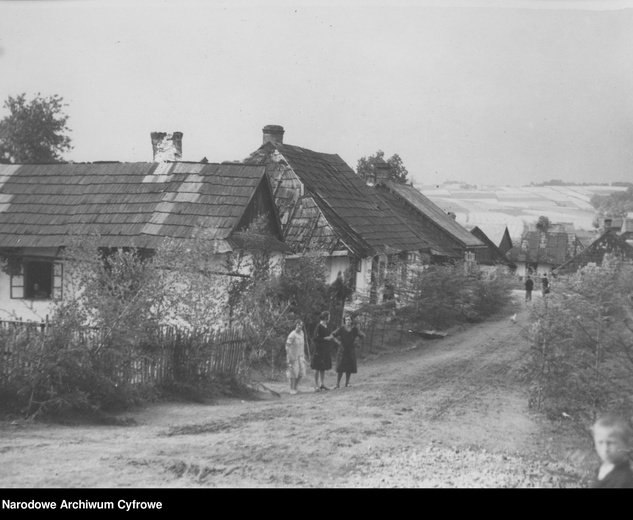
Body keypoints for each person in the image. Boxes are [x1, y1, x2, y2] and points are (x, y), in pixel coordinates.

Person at [590, 415, 633, 488]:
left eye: (610, 443)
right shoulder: (603, 469)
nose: (605, 449)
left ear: (626, 445)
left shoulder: (625, 478)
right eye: (600, 442)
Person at [332, 315, 365, 388]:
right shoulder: (341, 329)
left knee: (349, 368)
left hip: (351, 350)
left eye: (349, 320)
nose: (348, 321)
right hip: (342, 350)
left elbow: (362, 336)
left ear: (351, 321)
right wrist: (338, 342)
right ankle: (337, 384)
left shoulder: (355, 329)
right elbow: (333, 335)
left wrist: (356, 342)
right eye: (346, 320)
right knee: (340, 367)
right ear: (344, 321)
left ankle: (347, 383)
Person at [310, 311, 334, 392]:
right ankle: (316, 385)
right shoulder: (318, 326)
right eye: (329, 317)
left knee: (323, 368)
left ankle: (322, 384)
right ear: (325, 317)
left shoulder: (326, 326)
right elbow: (314, 338)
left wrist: (330, 337)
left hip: (325, 349)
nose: (330, 319)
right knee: (317, 368)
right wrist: (324, 338)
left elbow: (328, 334)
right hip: (319, 349)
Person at [285, 319, 307, 395]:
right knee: (293, 373)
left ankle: (295, 387)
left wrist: (304, 354)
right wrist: (290, 356)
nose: (300, 327)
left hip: (300, 355)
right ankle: (292, 389)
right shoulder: (292, 335)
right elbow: (287, 346)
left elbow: (302, 345)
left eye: (301, 325)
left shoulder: (302, 333)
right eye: (298, 325)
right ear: (296, 325)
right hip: (292, 355)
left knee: (301, 372)